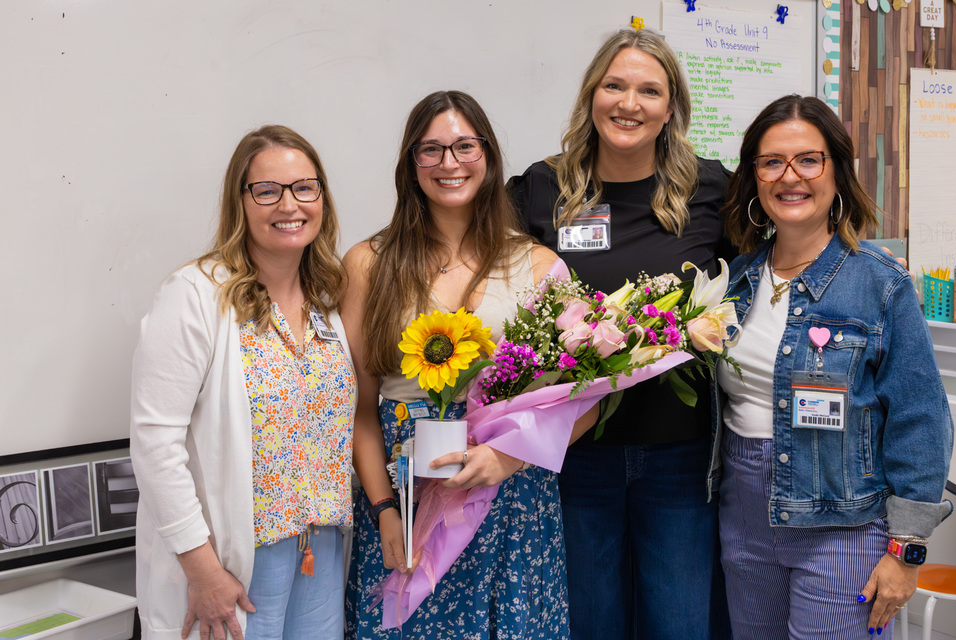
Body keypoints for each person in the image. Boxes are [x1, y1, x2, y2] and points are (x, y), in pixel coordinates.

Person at [343, 91, 592, 639]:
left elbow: (581, 406)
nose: (449, 163)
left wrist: (508, 457)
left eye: (463, 146)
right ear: (410, 164)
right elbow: (358, 410)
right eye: (430, 150)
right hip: (407, 498)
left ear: (488, 154)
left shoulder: (540, 264)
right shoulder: (369, 264)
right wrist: (385, 508)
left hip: (511, 500)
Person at [510, 28, 732, 640]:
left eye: (648, 90)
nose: (629, 103)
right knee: (589, 624)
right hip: (574, 457)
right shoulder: (541, 189)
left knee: (681, 625)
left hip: (680, 459)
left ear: (670, 109)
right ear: (592, 95)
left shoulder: (711, 189)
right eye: (614, 85)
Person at [715, 94, 953, 639]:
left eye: (808, 159)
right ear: (754, 178)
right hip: (744, 518)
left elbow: (922, 419)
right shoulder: (735, 281)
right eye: (771, 162)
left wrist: (907, 550)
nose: (789, 176)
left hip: (843, 526)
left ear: (836, 172)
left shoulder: (880, 283)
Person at [130, 125, 356, 640]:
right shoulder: (195, 295)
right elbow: (154, 443)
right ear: (241, 201)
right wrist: (201, 569)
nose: (289, 204)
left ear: (321, 196)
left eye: (304, 187)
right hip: (232, 559)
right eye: (267, 190)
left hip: (318, 551)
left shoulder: (328, 299)